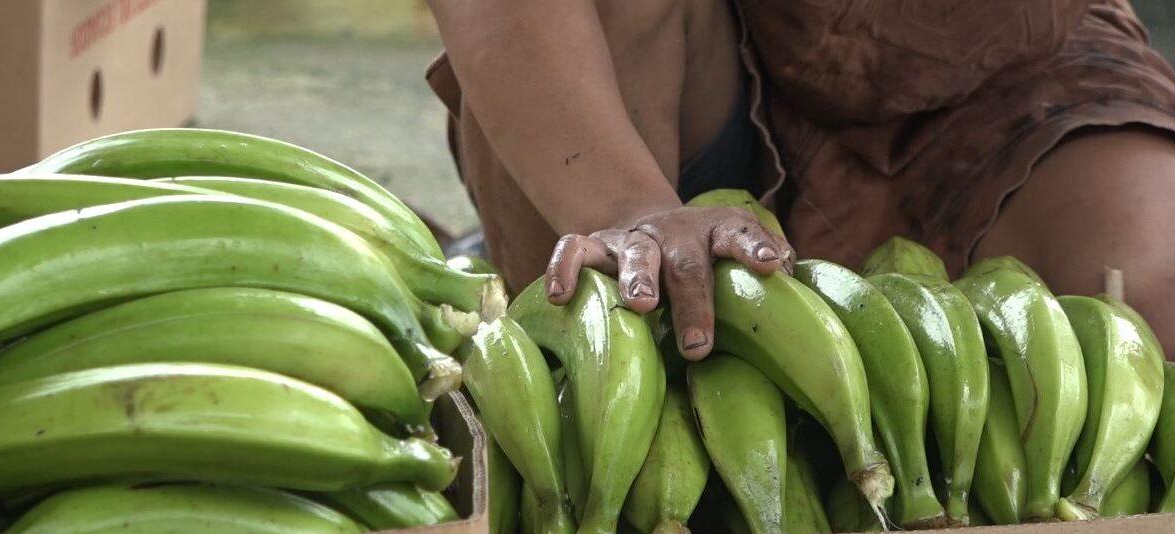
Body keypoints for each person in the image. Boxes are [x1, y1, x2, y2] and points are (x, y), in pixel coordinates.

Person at [426, 0, 1175, 359]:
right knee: (614, 348)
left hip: (992, 67)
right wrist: (627, 210)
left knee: (1149, 290)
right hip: (686, 59)